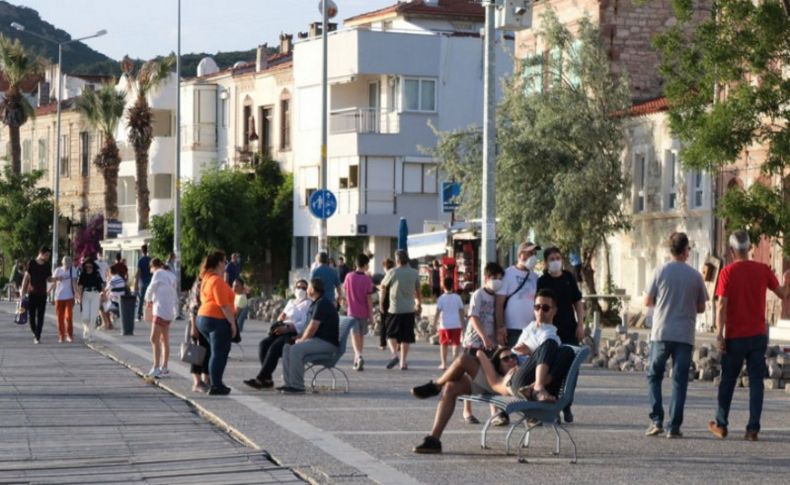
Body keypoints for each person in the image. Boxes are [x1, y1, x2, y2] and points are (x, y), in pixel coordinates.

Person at [708, 230, 790, 442]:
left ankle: (721, 424)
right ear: (750, 249)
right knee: (756, 382)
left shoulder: (727, 272)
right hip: (757, 335)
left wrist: (719, 333)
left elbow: (721, 306)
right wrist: (786, 281)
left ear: (732, 250)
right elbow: (782, 294)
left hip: (736, 335)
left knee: (728, 380)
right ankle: (753, 428)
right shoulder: (762, 270)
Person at [642, 233, 708, 439]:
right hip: (685, 334)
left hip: (661, 331)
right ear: (686, 251)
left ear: (671, 250)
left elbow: (647, 301)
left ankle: (656, 419)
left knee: (654, 375)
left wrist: (664, 304)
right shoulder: (695, 276)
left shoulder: (660, 271)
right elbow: (701, 307)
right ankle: (674, 426)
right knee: (679, 380)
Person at [409, 347, 519, 454]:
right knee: (450, 388)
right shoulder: (499, 368)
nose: (511, 360)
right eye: (506, 359)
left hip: (500, 383)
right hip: (494, 378)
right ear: (498, 365)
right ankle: (434, 440)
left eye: (513, 357)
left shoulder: (519, 367)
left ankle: (436, 385)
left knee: (464, 359)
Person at [537, 246, 585, 422]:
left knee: (572, 370)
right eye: (552, 259)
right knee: (553, 369)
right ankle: (553, 405)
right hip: (550, 333)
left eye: (558, 258)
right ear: (546, 262)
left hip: (569, 331)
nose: (556, 261)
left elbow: (577, 302)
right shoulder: (542, 281)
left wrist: (580, 324)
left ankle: (567, 404)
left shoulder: (568, 278)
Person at [244, 279, 312, 390]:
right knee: (263, 344)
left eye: (304, 288)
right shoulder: (291, 302)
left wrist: (287, 328)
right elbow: (283, 315)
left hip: (292, 332)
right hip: (281, 329)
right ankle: (267, 379)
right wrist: (279, 321)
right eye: (298, 287)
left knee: (274, 347)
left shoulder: (308, 304)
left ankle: (260, 379)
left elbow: (303, 323)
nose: (301, 290)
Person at [512, 289, 576, 403]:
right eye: (537, 307)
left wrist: (531, 351)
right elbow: (514, 353)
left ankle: (536, 386)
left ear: (554, 311)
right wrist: (531, 353)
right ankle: (538, 386)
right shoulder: (529, 328)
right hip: (519, 378)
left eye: (545, 308)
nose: (540, 311)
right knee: (553, 345)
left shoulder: (551, 334)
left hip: (529, 382)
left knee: (567, 351)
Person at [279, 278, 340, 393]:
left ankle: (298, 386)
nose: (306, 290)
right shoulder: (315, 304)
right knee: (287, 347)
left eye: (308, 287)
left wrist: (301, 340)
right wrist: (298, 338)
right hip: (317, 340)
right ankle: (289, 383)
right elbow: (308, 327)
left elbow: (312, 327)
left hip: (327, 343)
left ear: (312, 289)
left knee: (296, 349)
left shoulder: (322, 303)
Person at [461, 262, 504, 424]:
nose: (497, 281)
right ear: (486, 278)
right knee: (469, 376)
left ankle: (494, 411)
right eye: (494, 278)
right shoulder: (478, 294)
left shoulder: (498, 297)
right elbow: (473, 317)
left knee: (491, 375)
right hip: (473, 342)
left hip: (490, 344)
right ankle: (467, 410)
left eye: (500, 278)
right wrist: (484, 337)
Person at [197, 251, 237, 395]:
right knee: (219, 352)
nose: (226, 264)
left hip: (203, 317)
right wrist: (232, 323)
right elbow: (223, 305)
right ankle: (216, 384)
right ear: (219, 263)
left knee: (215, 351)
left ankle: (216, 380)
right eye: (224, 261)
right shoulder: (217, 281)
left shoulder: (206, 278)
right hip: (216, 318)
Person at [380, 250, 421, 370]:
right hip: (409, 309)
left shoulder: (393, 272)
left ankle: (394, 355)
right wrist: (419, 304)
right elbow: (418, 290)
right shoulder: (414, 272)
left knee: (390, 334)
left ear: (397, 260)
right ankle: (403, 362)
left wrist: (382, 303)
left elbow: (383, 286)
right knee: (406, 337)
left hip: (395, 309)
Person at [496, 242, 541, 348]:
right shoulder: (507, 274)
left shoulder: (535, 277)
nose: (533, 256)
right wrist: (500, 327)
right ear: (520, 254)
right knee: (512, 362)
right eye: (530, 253)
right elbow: (499, 304)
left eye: (534, 253)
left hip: (531, 330)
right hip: (511, 330)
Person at [144, 258, 178, 378]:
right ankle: (164, 367)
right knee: (164, 339)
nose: (151, 271)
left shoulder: (158, 273)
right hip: (168, 310)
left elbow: (150, 288)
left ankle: (156, 366)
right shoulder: (171, 275)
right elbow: (174, 292)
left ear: (154, 266)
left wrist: (147, 300)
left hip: (159, 309)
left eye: (150, 268)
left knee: (154, 338)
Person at [344, 254, 375, 371]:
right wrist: (371, 316)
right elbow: (369, 299)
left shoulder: (348, 276)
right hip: (363, 312)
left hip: (352, 311)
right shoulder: (367, 279)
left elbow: (345, 292)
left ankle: (358, 357)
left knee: (354, 335)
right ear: (365, 265)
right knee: (361, 336)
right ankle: (358, 358)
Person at [20, 246, 53, 344]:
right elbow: (26, 278)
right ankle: (35, 332)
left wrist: (56, 279)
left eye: (48, 255)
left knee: (41, 316)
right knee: (32, 316)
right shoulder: (32, 263)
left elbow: (48, 278)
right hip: (32, 293)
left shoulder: (47, 264)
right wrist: (22, 292)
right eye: (47, 255)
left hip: (42, 294)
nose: (48, 257)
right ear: (41, 253)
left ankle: (37, 336)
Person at [434, 277, 465, 370]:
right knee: (456, 344)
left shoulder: (441, 299)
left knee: (443, 344)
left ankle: (443, 364)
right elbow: (461, 311)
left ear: (443, 286)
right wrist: (463, 323)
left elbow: (437, 312)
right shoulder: (458, 298)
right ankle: (454, 363)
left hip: (444, 326)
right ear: (453, 286)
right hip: (456, 324)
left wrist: (434, 324)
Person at [187, 278, 211, 393]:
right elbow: (193, 306)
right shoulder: (200, 283)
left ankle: (206, 379)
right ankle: (197, 382)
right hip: (197, 320)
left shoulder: (210, 281)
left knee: (207, 351)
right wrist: (193, 325)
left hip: (207, 320)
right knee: (197, 351)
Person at [51, 256, 79, 343]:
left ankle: (69, 335)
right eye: (66, 264)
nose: (68, 265)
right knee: (60, 317)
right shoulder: (58, 270)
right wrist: (49, 291)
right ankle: (61, 336)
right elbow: (52, 281)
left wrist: (77, 293)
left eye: (69, 263)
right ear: (63, 263)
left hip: (69, 296)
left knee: (68, 317)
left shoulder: (72, 270)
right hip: (59, 297)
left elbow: (74, 282)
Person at [76, 259, 103, 342]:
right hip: (85, 294)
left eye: (90, 266)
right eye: (86, 267)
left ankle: (91, 334)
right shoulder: (83, 275)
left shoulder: (97, 274)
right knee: (85, 316)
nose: (88, 268)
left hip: (95, 294)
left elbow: (101, 285)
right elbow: (80, 286)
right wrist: (79, 297)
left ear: (93, 267)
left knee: (93, 316)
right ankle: (86, 329)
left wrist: (103, 294)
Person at [378, 257, 395, 350]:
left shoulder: (386, 277)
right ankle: (398, 343)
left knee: (383, 323)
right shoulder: (395, 277)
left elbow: (383, 290)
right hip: (394, 301)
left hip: (385, 301)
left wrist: (380, 303)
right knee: (394, 322)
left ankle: (382, 343)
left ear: (385, 267)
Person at [135, 244, 152, 321]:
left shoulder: (140, 261)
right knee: (150, 298)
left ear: (142, 251)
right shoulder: (150, 260)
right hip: (150, 281)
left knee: (141, 299)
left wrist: (136, 283)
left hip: (142, 282)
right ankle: (151, 314)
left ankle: (139, 315)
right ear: (147, 250)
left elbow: (139, 272)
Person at [232, 278, 249, 343]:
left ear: (242, 287)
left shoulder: (241, 298)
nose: (234, 288)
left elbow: (236, 315)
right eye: (233, 286)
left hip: (234, 324)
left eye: (236, 286)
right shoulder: (236, 296)